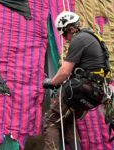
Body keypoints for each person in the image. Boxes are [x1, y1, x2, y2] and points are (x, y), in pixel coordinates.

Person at [43, 11, 111, 150]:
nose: (65, 39)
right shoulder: (91, 37)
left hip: (83, 89)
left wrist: (51, 82)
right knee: (67, 121)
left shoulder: (79, 39)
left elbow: (64, 71)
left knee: (51, 121)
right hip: (95, 92)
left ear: (69, 29)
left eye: (64, 34)